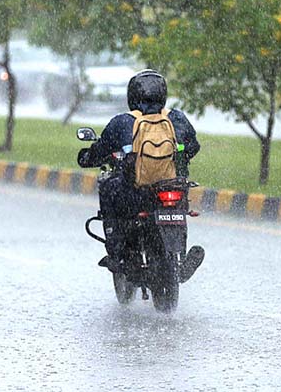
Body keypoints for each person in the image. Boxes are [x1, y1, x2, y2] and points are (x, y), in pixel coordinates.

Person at [77, 69, 201, 272]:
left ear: (132, 96)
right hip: (171, 188)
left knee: (108, 187)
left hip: (136, 192)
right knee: (179, 205)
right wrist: (178, 159)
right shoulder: (176, 118)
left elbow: (99, 151)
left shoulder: (123, 121)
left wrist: (86, 158)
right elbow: (193, 146)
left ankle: (117, 253)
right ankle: (180, 257)